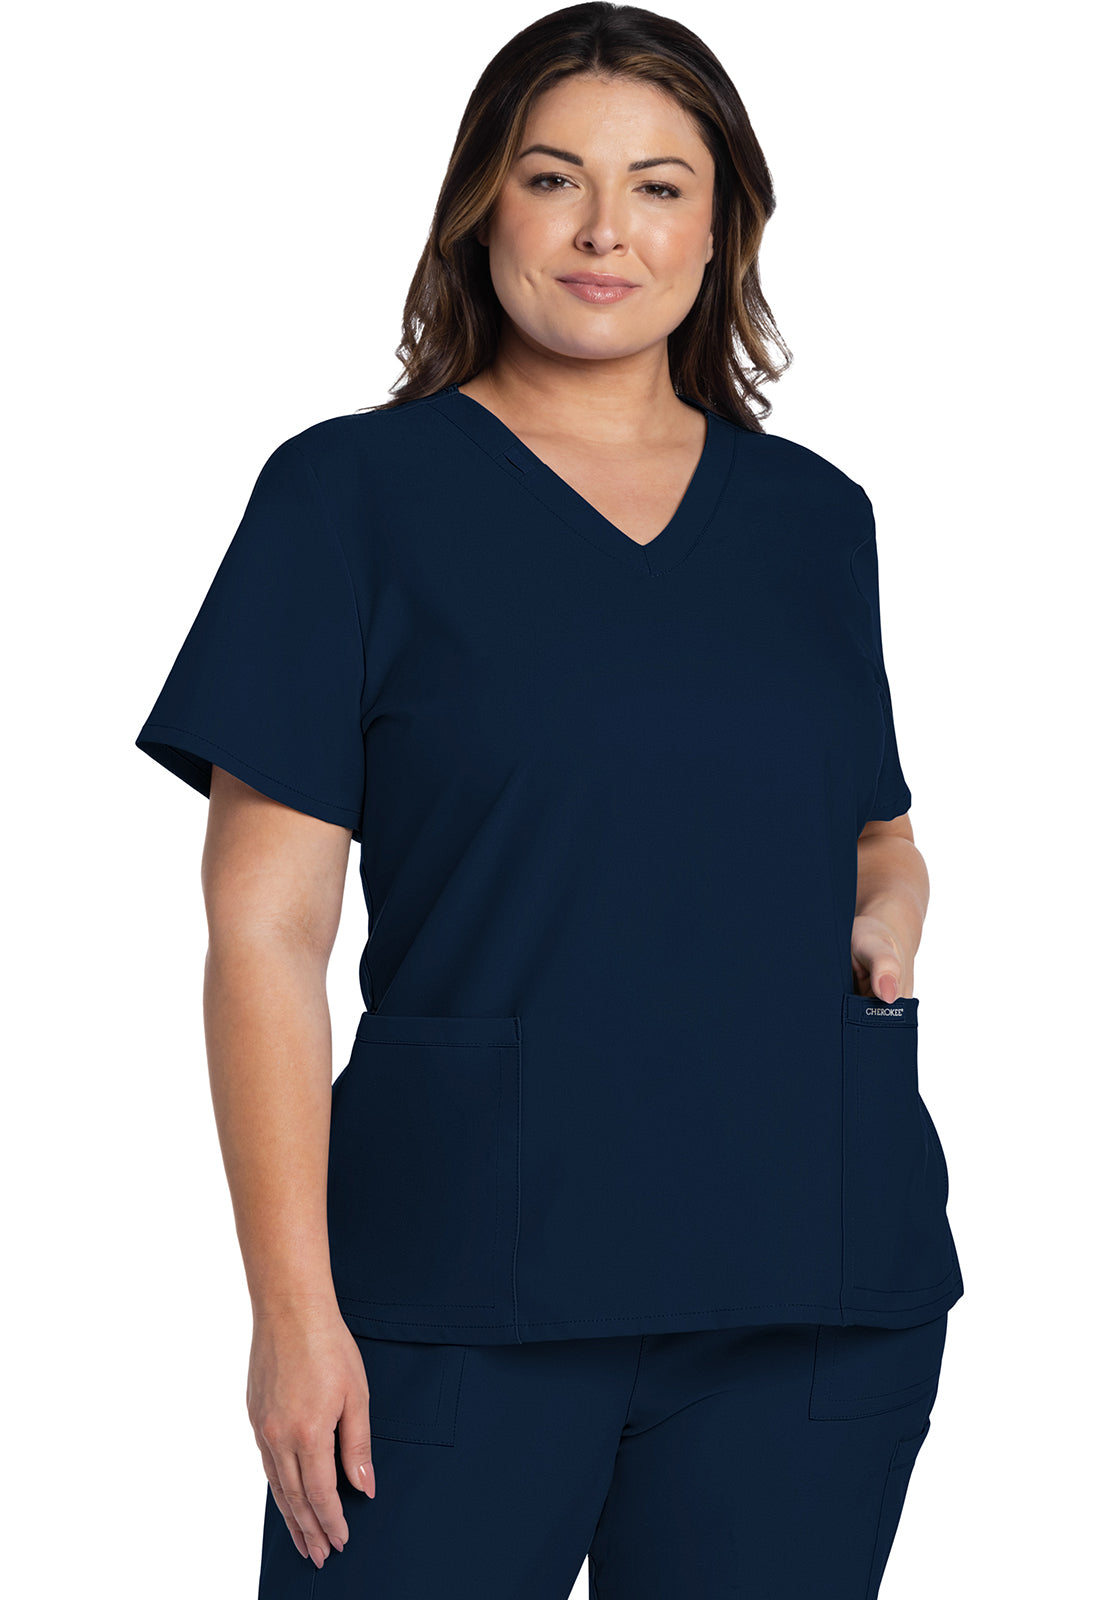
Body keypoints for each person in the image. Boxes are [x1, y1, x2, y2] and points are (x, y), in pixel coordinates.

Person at [134, 5, 965, 1595]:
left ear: (718, 229)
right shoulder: (347, 498)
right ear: (481, 207)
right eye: (551, 177)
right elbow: (264, 935)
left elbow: (878, 831)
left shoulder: (814, 522)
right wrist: (293, 1315)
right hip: (452, 1291)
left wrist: (893, 906)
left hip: (810, 1283)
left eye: (659, 186)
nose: (604, 230)